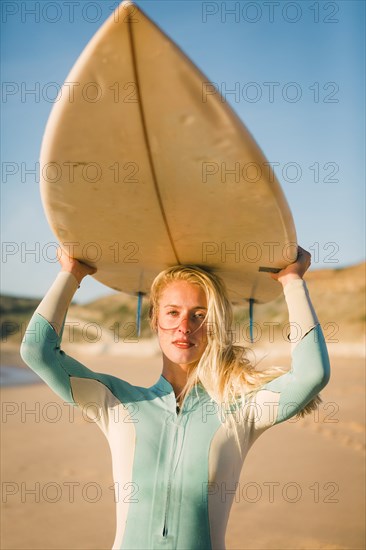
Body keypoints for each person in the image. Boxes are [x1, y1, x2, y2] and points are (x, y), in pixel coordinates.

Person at [20, 245, 330, 550]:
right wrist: (71, 273)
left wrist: (293, 282)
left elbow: (310, 375)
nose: (184, 327)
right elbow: (37, 352)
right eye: (172, 313)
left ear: (214, 327)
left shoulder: (240, 411)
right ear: (155, 319)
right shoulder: (117, 403)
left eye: (198, 315)